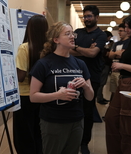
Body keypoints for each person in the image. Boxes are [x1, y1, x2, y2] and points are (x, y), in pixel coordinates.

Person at [29, 21, 94, 154]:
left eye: (73, 33)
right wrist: (57, 95)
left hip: (76, 120)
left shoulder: (80, 64)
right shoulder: (43, 64)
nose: (72, 37)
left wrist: (86, 86)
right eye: (67, 34)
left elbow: (90, 96)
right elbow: (33, 96)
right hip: (53, 122)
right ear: (56, 39)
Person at [104, 14, 131, 154]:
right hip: (124, 82)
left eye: (128, 27)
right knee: (112, 119)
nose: (126, 30)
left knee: (127, 124)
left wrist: (122, 65)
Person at [70, 5, 106, 154]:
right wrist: (84, 49)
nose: (87, 19)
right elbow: (68, 50)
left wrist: (77, 48)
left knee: (87, 111)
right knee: (72, 108)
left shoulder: (101, 35)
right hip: (74, 75)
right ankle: (73, 140)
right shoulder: (78, 32)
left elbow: (92, 53)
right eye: (85, 16)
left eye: (89, 16)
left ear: (97, 17)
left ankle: (84, 143)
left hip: (92, 77)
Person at [13, 14, 48, 154]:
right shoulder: (50, 49)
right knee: (39, 134)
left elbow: (20, 76)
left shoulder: (24, 48)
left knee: (24, 136)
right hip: (43, 96)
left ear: (29, 29)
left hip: (25, 97)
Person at [108, 23, 130, 99]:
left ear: (126, 31)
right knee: (113, 93)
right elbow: (110, 55)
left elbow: (124, 55)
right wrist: (117, 53)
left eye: (121, 31)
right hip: (114, 71)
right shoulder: (116, 43)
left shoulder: (130, 42)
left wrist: (116, 54)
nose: (119, 32)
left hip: (123, 72)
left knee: (122, 94)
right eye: (119, 31)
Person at [97, 30, 114, 105]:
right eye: (109, 37)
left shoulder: (102, 44)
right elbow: (107, 54)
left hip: (103, 65)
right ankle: (99, 98)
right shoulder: (102, 45)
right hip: (104, 65)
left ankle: (100, 97)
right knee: (102, 82)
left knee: (102, 83)